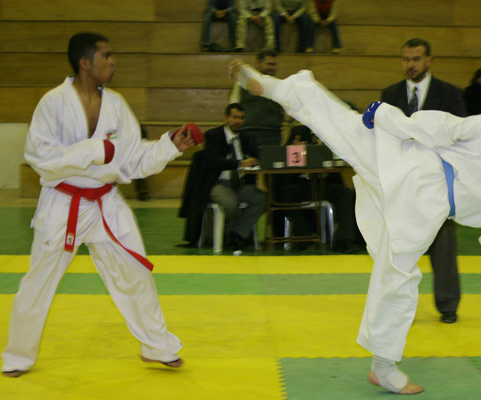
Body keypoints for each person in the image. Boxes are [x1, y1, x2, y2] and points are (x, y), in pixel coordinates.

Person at [227, 59, 481, 395]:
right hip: (426, 209)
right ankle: (383, 367)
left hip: (405, 163)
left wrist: (387, 116)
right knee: (398, 277)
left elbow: (440, 127)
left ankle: (273, 87)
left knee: (342, 122)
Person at [1, 32, 196, 378]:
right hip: (63, 203)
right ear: (85, 63)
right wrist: (92, 150)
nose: (113, 61)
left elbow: (132, 159)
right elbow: (39, 156)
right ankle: (17, 356)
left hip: (106, 202)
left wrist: (169, 146)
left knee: (135, 273)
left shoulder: (116, 105)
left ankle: (157, 346)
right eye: (106, 56)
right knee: (39, 282)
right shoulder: (53, 103)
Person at [381, 38, 465, 324]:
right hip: (401, 182)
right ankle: (395, 306)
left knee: (443, 246)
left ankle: (448, 305)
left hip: (437, 182)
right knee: (398, 248)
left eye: (416, 59)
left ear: (429, 61)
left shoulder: (449, 94)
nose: (410, 65)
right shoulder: (390, 95)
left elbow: (460, 134)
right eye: (406, 59)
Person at [274, 123, 363, 253]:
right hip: (302, 183)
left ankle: (344, 240)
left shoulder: (332, 132)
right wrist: (292, 151)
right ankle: (303, 237)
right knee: (286, 193)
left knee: (345, 193)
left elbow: (340, 159)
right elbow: (283, 160)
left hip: (325, 182)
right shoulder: (299, 131)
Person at [203, 103, 264, 250]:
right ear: (226, 117)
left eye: (241, 118)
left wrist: (257, 160)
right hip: (217, 183)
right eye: (235, 117)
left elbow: (258, 155)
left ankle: (236, 234)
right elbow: (214, 161)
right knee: (231, 203)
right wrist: (240, 163)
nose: (238, 121)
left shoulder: (245, 137)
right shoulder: (213, 136)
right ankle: (227, 235)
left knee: (262, 199)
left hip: (240, 184)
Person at [230, 48, 285, 148]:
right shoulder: (242, 83)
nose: (272, 68)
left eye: (275, 64)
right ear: (258, 63)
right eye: (269, 64)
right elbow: (233, 107)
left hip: (273, 135)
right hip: (247, 133)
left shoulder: (280, 86)